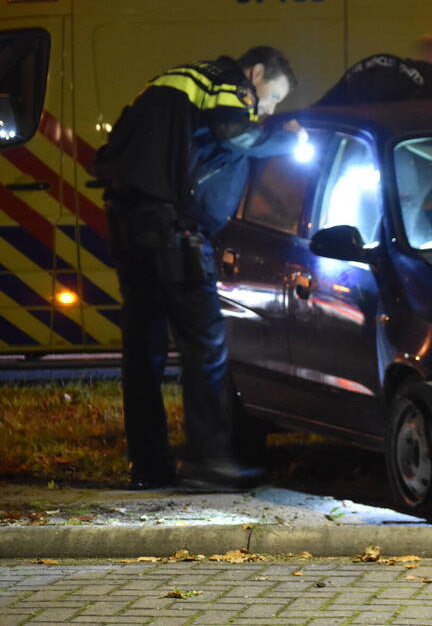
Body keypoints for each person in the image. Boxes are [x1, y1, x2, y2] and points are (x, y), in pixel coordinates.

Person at [93, 46, 302, 489]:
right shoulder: (224, 83)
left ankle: (149, 466)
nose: (267, 108)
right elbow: (234, 132)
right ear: (256, 72)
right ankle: (210, 463)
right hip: (173, 231)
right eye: (272, 96)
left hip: (130, 219)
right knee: (205, 347)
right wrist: (291, 140)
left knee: (144, 349)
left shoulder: (177, 79)